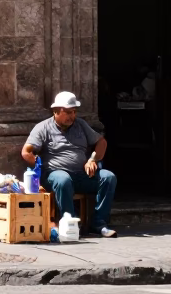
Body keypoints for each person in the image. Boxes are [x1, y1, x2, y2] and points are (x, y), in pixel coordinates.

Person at [21, 91, 118, 238]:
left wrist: (92, 159)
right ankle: (70, 223)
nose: (72, 116)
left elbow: (101, 142)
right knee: (63, 179)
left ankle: (99, 224)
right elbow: (26, 152)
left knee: (108, 177)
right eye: (67, 112)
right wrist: (40, 165)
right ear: (56, 111)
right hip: (55, 175)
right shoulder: (43, 127)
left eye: (74, 112)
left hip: (81, 175)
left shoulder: (80, 125)